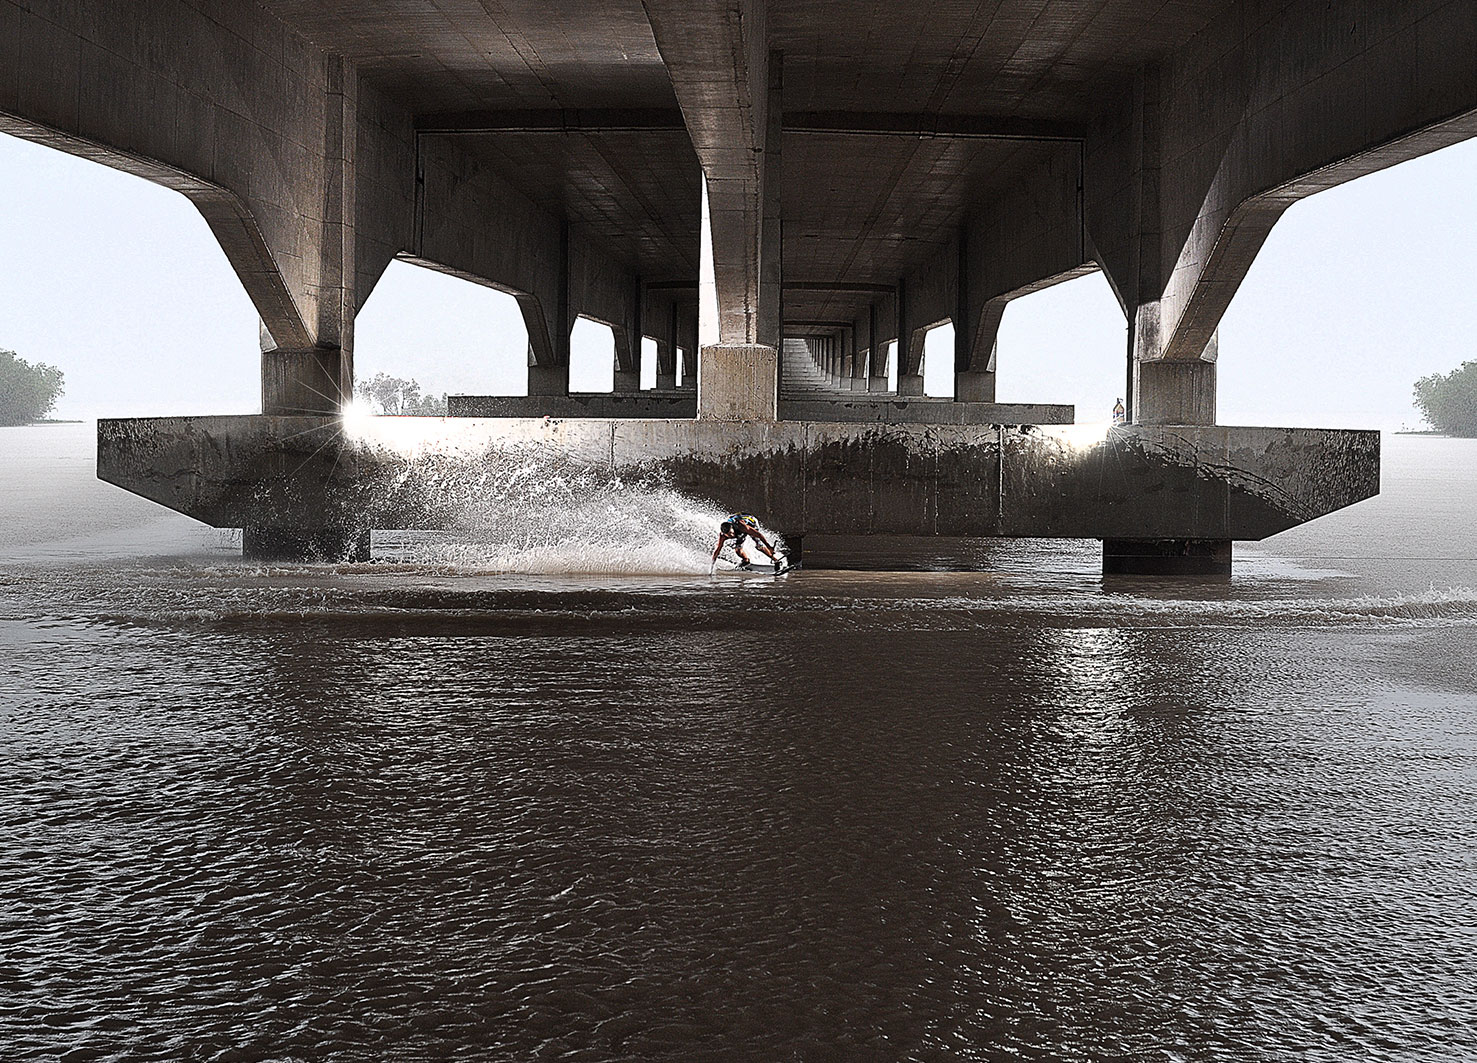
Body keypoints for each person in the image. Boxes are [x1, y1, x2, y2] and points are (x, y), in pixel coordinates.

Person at [711, 513, 784, 572]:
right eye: (729, 535)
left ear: (732, 528)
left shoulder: (742, 527)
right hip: (736, 519)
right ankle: (746, 560)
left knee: (759, 546)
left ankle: (776, 561)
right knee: (738, 549)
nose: (731, 535)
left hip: (751, 522)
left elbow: (759, 535)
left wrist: (769, 547)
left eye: (731, 533)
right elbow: (717, 550)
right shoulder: (722, 536)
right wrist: (712, 566)